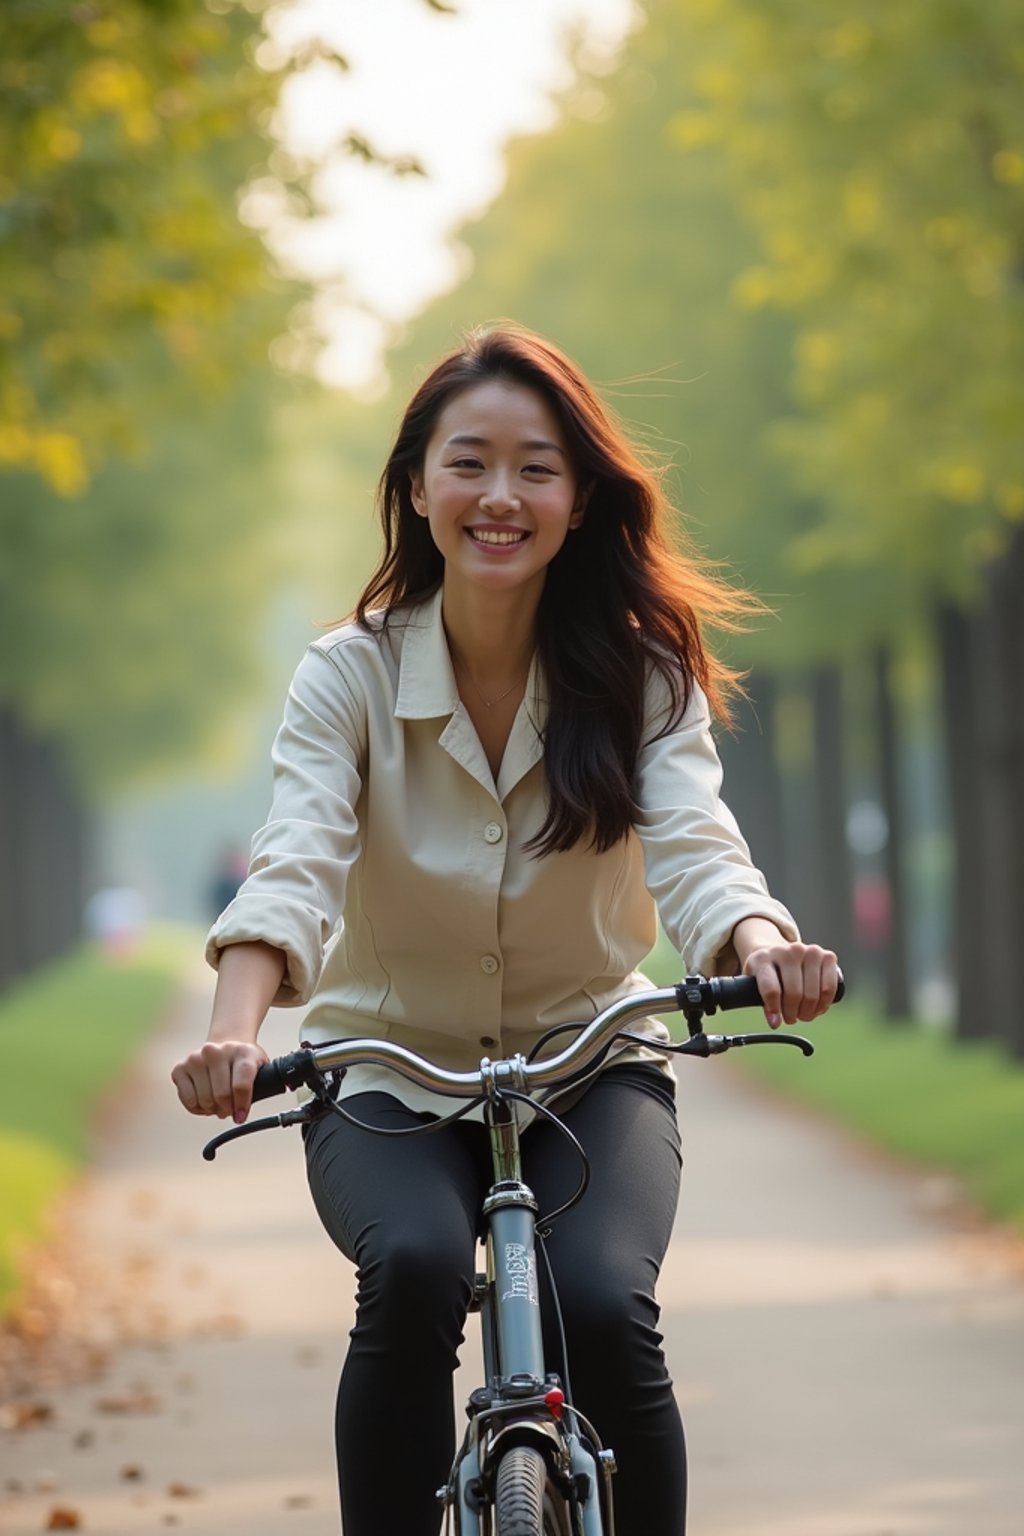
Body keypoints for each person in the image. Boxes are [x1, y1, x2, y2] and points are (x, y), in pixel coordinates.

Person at [171, 323, 839, 1536]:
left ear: (580, 500)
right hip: (386, 1071)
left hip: (591, 1063)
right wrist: (231, 1034)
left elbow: (696, 844)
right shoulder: (348, 677)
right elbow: (298, 861)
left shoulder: (641, 676)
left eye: (536, 467)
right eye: (467, 461)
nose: (500, 495)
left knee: (603, 1304)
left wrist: (758, 947)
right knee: (416, 1268)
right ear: (417, 485)